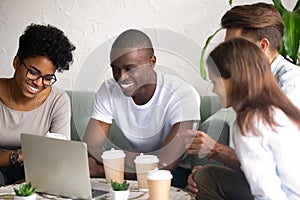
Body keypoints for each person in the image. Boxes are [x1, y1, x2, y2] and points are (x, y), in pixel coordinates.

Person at [185, 2, 300, 198]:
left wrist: (217, 150)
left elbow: (278, 176)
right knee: (206, 177)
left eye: (235, 46)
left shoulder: (291, 87)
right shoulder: (253, 90)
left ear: (262, 46)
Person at [83, 29, 200, 187]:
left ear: (152, 62)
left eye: (130, 69)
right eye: (115, 69)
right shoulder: (109, 90)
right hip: (132, 171)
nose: (121, 77)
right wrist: (126, 160)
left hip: (176, 174)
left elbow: (166, 165)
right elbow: (89, 149)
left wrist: (102, 170)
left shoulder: (182, 94)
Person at [0, 23, 75, 186]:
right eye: (33, 72)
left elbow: (61, 155)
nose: (38, 83)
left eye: (47, 78)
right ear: (16, 62)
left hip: (37, 175)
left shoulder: (58, 101)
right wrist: (19, 155)